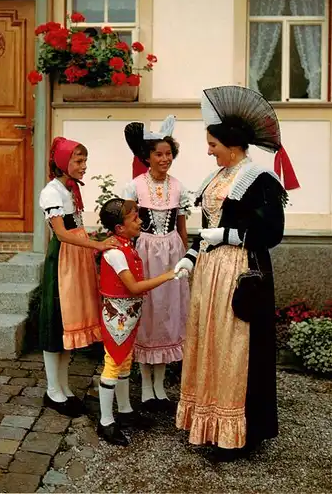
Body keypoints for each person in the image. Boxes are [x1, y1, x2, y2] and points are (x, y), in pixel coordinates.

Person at [174, 86, 300, 457]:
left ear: (231, 144)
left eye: (212, 143)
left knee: (235, 347)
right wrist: (193, 254)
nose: (208, 150)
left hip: (240, 272)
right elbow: (207, 225)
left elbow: (271, 232)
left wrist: (227, 234)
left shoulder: (259, 180)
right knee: (210, 343)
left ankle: (238, 433)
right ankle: (209, 421)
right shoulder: (215, 178)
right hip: (211, 273)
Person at [39, 136, 119, 417]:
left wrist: (98, 240)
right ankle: (52, 389)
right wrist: (96, 245)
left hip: (76, 258)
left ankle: (63, 385)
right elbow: (61, 233)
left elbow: (77, 229)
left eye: (84, 160)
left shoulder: (70, 189)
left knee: (70, 324)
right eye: (78, 160)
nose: (84, 166)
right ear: (63, 162)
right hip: (62, 261)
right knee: (57, 322)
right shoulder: (52, 192)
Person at [97, 198, 182, 446]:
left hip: (128, 315)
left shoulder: (127, 246)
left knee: (124, 362)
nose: (141, 221)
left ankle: (124, 411)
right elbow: (133, 286)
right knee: (113, 362)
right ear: (119, 228)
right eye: (134, 219)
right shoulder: (115, 253)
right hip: (118, 317)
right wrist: (167, 275)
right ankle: (105, 421)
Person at [122, 116, 190, 413]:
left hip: (172, 252)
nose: (165, 159)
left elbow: (183, 226)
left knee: (168, 313)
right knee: (148, 313)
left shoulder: (178, 187)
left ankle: (160, 385)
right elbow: (127, 223)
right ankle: (146, 385)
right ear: (147, 157)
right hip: (146, 252)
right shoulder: (135, 187)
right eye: (159, 154)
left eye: (168, 154)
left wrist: (187, 255)